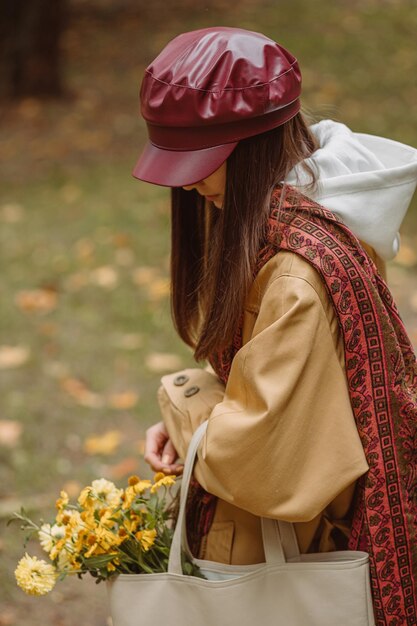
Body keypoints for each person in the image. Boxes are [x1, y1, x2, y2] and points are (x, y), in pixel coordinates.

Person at [134, 27, 417, 624]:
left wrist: (184, 410)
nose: (188, 182)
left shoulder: (293, 270)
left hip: (290, 555)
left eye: (199, 163)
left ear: (254, 146)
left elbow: (263, 462)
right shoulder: (316, 217)